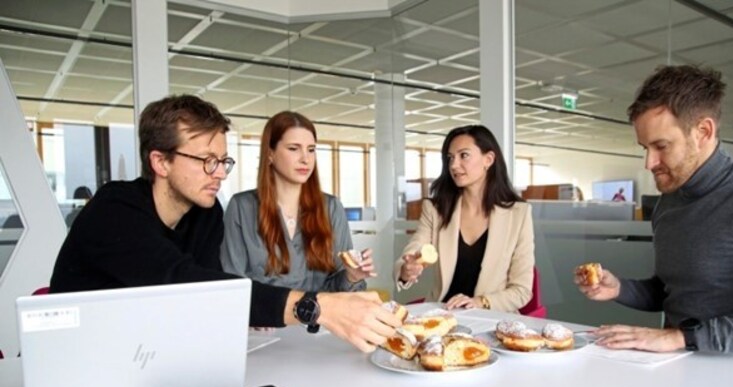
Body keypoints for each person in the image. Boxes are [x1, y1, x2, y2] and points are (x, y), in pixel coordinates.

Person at [49, 95, 398, 352]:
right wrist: (318, 307)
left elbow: (214, 295)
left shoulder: (206, 212)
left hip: (154, 357)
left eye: (223, 161)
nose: (219, 173)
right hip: (78, 357)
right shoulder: (114, 209)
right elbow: (184, 283)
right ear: (160, 161)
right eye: (206, 160)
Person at [575, 65, 733, 355]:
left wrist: (679, 338)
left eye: (661, 146)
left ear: (703, 132)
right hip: (679, 367)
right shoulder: (669, 202)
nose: (649, 163)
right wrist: (619, 288)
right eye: (645, 147)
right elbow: (673, 291)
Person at [221, 111, 373, 293]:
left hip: (320, 319)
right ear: (270, 154)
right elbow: (233, 284)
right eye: (294, 149)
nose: (305, 159)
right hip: (264, 320)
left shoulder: (331, 208)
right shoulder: (242, 207)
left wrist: (352, 276)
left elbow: (338, 291)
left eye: (311, 149)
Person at [394, 125, 533, 312]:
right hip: (443, 316)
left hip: (492, 320)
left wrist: (480, 302)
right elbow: (414, 249)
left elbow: (522, 291)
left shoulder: (519, 214)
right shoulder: (436, 209)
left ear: (488, 159)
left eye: (463, 155)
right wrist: (405, 269)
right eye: (450, 158)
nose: (453, 165)